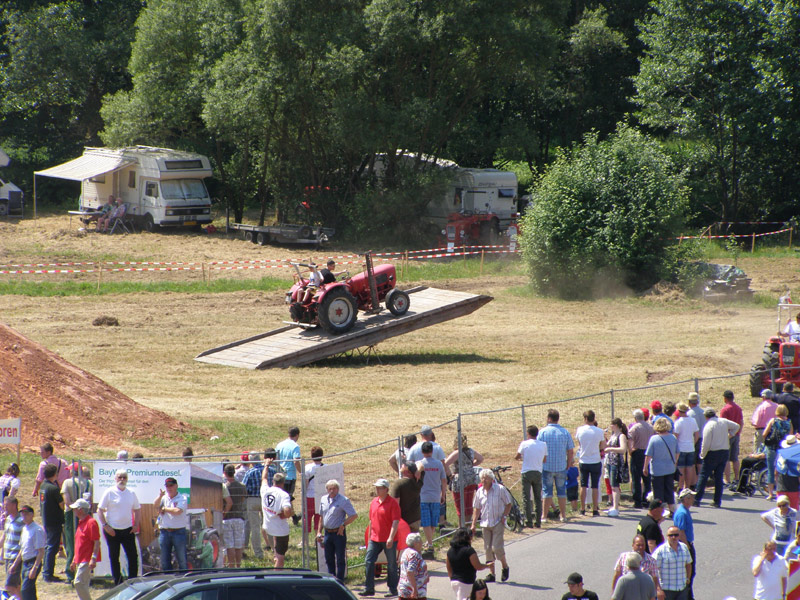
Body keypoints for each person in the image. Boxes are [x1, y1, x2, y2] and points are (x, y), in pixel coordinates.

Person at [97, 469, 141, 585]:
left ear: (127, 479)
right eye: (119, 477)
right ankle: (118, 582)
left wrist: (136, 524)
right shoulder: (109, 492)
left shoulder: (131, 493)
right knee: (114, 557)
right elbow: (100, 510)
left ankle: (133, 581)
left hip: (128, 530)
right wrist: (106, 526)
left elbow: (137, 509)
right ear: (115, 479)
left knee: (133, 557)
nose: (122, 479)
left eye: (124, 477)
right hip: (113, 530)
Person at [362, 478, 401, 598]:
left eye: (379, 488)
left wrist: (390, 537)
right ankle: (369, 588)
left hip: (389, 539)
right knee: (368, 561)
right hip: (374, 538)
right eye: (376, 487)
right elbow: (371, 521)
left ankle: (393, 589)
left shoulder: (393, 503)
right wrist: (369, 539)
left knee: (391, 565)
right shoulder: (373, 502)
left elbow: (395, 522)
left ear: (386, 489)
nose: (377, 490)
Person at [470, 469, 511, 583]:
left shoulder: (500, 489)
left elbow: (508, 503)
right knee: (488, 549)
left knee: (497, 548)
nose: (484, 480)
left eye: (486, 478)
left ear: (492, 479)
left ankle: (505, 566)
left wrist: (504, 516)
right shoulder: (479, 492)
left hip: (498, 521)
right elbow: (477, 508)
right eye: (482, 478)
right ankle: (492, 574)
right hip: (485, 523)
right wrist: (473, 524)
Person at [694, 408, 739, 508]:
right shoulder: (723, 421)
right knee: (719, 477)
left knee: (703, 476)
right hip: (724, 451)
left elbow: (706, 443)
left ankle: (697, 499)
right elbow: (736, 426)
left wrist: (702, 454)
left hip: (712, 453)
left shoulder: (708, 426)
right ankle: (717, 501)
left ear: (706, 416)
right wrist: (730, 435)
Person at [317, 480, 357, 582]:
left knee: (340, 559)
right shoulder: (323, 500)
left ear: (338, 489)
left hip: (338, 534)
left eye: (334, 488)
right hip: (327, 533)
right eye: (330, 489)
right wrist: (318, 532)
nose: (332, 491)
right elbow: (321, 517)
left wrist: (343, 524)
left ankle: (340, 581)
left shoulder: (344, 500)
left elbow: (353, 515)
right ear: (327, 490)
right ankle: (331, 580)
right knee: (329, 558)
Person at [539, 409, 575, 523]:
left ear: (549, 418)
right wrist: (568, 463)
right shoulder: (564, 432)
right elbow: (570, 450)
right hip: (561, 466)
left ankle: (544, 516)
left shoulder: (543, 432)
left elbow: (539, 448)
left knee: (547, 492)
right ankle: (563, 515)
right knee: (561, 491)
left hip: (547, 466)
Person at [61, 463, 92, 584]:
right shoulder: (90, 483)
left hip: (71, 515)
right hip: (87, 514)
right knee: (85, 544)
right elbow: (92, 503)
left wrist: (75, 509)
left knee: (71, 543)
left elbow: (67, 502)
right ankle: (85, 572)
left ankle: (70, 572)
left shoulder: (67, 483)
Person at [445, 434, 484, 525]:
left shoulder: (456, 453)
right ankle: (468, 525)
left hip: (459, 480)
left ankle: (461, 526)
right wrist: (471, 465)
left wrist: (450, 475)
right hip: (471, 479)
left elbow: (445, 464)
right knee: (468, 504)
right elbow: (481, 459)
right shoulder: (471, 451)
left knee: (460, 506)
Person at [446, 528, 492, 600]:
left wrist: (452, 579)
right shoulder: (469, 550)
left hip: (454, 582)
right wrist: (488, 566)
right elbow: (478, 566)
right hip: (466, 583)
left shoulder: (450, 551)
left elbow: (449, 568)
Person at [515, 424, 547, 528]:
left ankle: (529, 521)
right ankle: (538, 521)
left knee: (526, 497)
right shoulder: (543, 444)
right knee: (538, 497)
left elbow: (517, 456)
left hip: (527, 472)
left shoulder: (524, 444)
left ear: (528, 434)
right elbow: (544, 459)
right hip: (538, 471)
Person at [643, 418, 678, 513]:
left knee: (658, 492)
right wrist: (674, 462)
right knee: (669, 490)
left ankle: (659, 511)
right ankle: (672, 510)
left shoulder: (654, 439)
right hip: (670, 468)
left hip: (657, 469)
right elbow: (677, 452)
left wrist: (645, 466)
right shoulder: (673, 438)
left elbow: (649, 454)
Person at [418, 441, 447, 554]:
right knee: (433, 522)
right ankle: (429, 542)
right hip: (435, 496)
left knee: (426, 522)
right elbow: (443, 481)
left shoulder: (420, 464)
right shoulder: (438, 464)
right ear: (432, 451)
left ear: (422, 452)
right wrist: (443, 494)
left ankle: (429, 543)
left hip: (423, 496)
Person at [575, 410, 606, 517]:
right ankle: (595, 508)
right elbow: (602, 446)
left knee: (583, 485)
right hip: (595, 460)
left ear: (585, 419)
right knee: (595, 486)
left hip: (584, 460)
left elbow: (579, 442)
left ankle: (582, 508)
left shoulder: (580, 430)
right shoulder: (599, 431)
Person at [154, 477, 188, 571]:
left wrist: (164, 509)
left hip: (179, 532)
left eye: (171, 485)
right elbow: (155, 506)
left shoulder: (182, 498)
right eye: (167, 486)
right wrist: (160, 496)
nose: (169, 488)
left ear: (176, 486)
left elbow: (177, 511)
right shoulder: (163, 498)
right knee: (165, 561)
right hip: (164, 531)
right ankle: (168, 580)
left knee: (182, 560)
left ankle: (184, 581)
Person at [11, 505, 44, 600]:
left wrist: (35, 568)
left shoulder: (37, 530)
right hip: (25, 563)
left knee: (25, 590)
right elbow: (22, 549)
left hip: (33, 562)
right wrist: (15, 565)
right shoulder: (25, 529)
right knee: (30, 590)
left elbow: (41, 551)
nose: (24, 516)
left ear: (32, 515)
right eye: (22, 514)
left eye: (26, 514)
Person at [261, 472, 293, 568]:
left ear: (273, 481)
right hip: (280, 529)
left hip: (267, 526)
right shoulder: (284, 495)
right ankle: (276, 576)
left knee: (276, 548)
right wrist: (287, 514)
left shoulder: (265, 490)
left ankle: (275, 558)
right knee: (280, 557)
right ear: (283, 483)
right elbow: (287, 511)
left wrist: (266, 466)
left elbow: (264, 478)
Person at [70, 499, 100, 600]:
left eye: (75, 509)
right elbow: (79, 543)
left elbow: (96, 541)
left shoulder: (91, 522)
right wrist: (74, 560)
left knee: (78, 582)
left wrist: (93, 558)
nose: (73, 510)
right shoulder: (81, 522)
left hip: (86, 558)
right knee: (83, 584)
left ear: (80, 510)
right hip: (80, 558)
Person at [651, 526, 692, 600]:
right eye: (671, 535)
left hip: (682, 589)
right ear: (667, 536)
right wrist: (658, 589)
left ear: (679, 535)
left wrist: (687, 579)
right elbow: (653, 570)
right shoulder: (660, 551)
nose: (674, 537)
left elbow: (688, 564)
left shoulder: (684, 548)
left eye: (676, 535)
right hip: (666, 590)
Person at [39, 464, 63, 582]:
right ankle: (48, 573)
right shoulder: (53, 489)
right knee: (52, 547)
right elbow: (61, 505)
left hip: (47, 519)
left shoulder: (43, 486)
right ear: (55, 474)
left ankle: (47, 572)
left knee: (49, 545)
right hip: (54, 520)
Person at [763, 404, 793, 500]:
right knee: (780, 471)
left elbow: (764, 434)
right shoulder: (789, 422)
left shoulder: (773, 421)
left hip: (772, 448)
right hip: (783, 449)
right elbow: (790, 437)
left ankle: (771, 493)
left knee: (771, 470)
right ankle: (780, 491)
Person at [672, 489, 696, 600]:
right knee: (689, 572)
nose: (693, 500)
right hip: (685, 545)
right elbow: (681, 532)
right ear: (686, 499)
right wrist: (687, 547)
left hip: (687, 544)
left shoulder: (684, 510)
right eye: (691, 497)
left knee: (691, 572)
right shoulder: (682, 513)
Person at [221, 463, 247, 568]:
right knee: (238, 544)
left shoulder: (224, 487)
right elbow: (242, 499)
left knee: (229, 545)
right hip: (239, 517)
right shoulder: (242, 486)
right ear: (234, 472)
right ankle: (238, 566)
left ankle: (231, 566)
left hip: (227, 517)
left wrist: (224, 513)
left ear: (225, 473)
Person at [241, 451, 265, 560]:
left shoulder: (250, 473)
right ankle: (274, 549)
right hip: (266, 500)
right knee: (268, 525)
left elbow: (243, 487)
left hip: (252, 499)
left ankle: (258, 553)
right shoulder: (270, 470)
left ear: (251, 461)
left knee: (255, 527)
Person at [629, 409, 654, 509]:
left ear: (635, 418)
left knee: (636, 478)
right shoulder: (650, 427)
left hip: (638, 452)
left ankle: (637, 501)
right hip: (648, 452)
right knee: (647, 478)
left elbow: (630, 442)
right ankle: (647, 499)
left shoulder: (634, 428)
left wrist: (631, 451)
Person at [276, 427, 302, 522]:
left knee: (284, 497)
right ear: (297, 435)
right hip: (290, 476)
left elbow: (275, 458)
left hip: (279, 475)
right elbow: (296, 461)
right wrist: (301, 472)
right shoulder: (295, 446)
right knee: (287, 498)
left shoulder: (280, 445)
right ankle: (286, 518)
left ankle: (294, 517)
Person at [1, 497, 24, 599]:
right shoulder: (8, 519)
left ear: (14, 505)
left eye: (7, 505)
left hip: (15, 556)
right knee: (16, 586)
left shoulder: (21, 521)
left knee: (9, 586)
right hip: (7, 556)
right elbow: (5, 536)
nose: (4, 507)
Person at [720, 390, 743, 488]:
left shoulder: (725, 410)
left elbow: (722, 424)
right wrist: (738, 432)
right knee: (735, 458)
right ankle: (737, 478)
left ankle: (727, 479)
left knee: (726, 458)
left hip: (727, 435)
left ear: (725, 398)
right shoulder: (738, 408)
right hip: (736, 435)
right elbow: (741, 422)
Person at [605, 418, 629, 517]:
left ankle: (615, 507)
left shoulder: (621, 436)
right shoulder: (613, 435)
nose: (610, 426)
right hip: (610, 462)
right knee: (612, 485)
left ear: (617, 425)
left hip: (616, 463)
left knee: (615, 486)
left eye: (612, 424)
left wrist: (611, 449)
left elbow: (623, 449)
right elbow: (605, 445)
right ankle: (614, 505)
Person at [672, 404, 699, 491]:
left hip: (681, 448)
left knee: (681, 469)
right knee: (689, 468)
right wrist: (692, 443)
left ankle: (680, 487)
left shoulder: (678, 422)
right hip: (690, 448)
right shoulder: (693, 420)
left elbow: (675, 437)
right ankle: (687, 487)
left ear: (679, 411)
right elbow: (697, 435)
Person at [391, 461, 422, 533]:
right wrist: (418, 471)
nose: (401, 466)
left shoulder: (398, 484)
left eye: (403, 466)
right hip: (416, 519)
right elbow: (421, 464)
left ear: (407, 471)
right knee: (414, 542)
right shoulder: (418, 482)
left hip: (403, 520)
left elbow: (395, 504)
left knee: (403, 543)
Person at [398, 533, 429, 600]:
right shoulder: (414, 555)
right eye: (420, 541)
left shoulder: (406, 551)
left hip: (404, 588)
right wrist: (414, 589)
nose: (422, 543)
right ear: (416, 543)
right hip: (414, 591)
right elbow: (410, 572)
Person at [304, 446, 324, 534]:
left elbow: (306, 483)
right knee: (318, 519)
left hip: (310, 496)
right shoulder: (326, 467)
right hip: (321, 497)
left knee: (307, 518)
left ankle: (305, 540)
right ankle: (318, 537)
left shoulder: (307, 468)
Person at [685, 393, 706, 475]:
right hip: (703, 438)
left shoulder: (689, 414)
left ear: (689, 402)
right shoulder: (703, 412)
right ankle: (700, 479)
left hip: (694, 439)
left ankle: (694, 481)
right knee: (700, 461)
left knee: (692, 462)